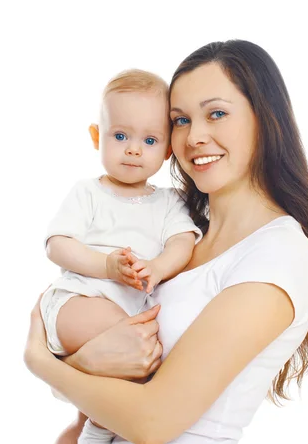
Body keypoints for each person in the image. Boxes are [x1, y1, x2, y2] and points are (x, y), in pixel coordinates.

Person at [25, 39, 308, 444]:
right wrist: (84, 361)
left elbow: (153, 422)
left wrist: (41, 361)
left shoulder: (277, 255)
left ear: (265, 120)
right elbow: (106, 375)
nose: (195, 137)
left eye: (216, 114)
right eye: (180, 120)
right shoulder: (179, 241)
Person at [40, 69, 202, 441]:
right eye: (120, 136)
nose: (133, 148)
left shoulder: (168, 202)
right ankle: (99, 427)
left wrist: (158, 267)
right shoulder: (89, 193)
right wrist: (107, 266)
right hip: (79, 301)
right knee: (137, 351)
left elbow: (182, 242)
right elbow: (57, 244)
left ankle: (81, 427)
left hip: (127, 310)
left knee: (134, 357)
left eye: (149, 139)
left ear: (166, 150)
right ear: (97, 137)